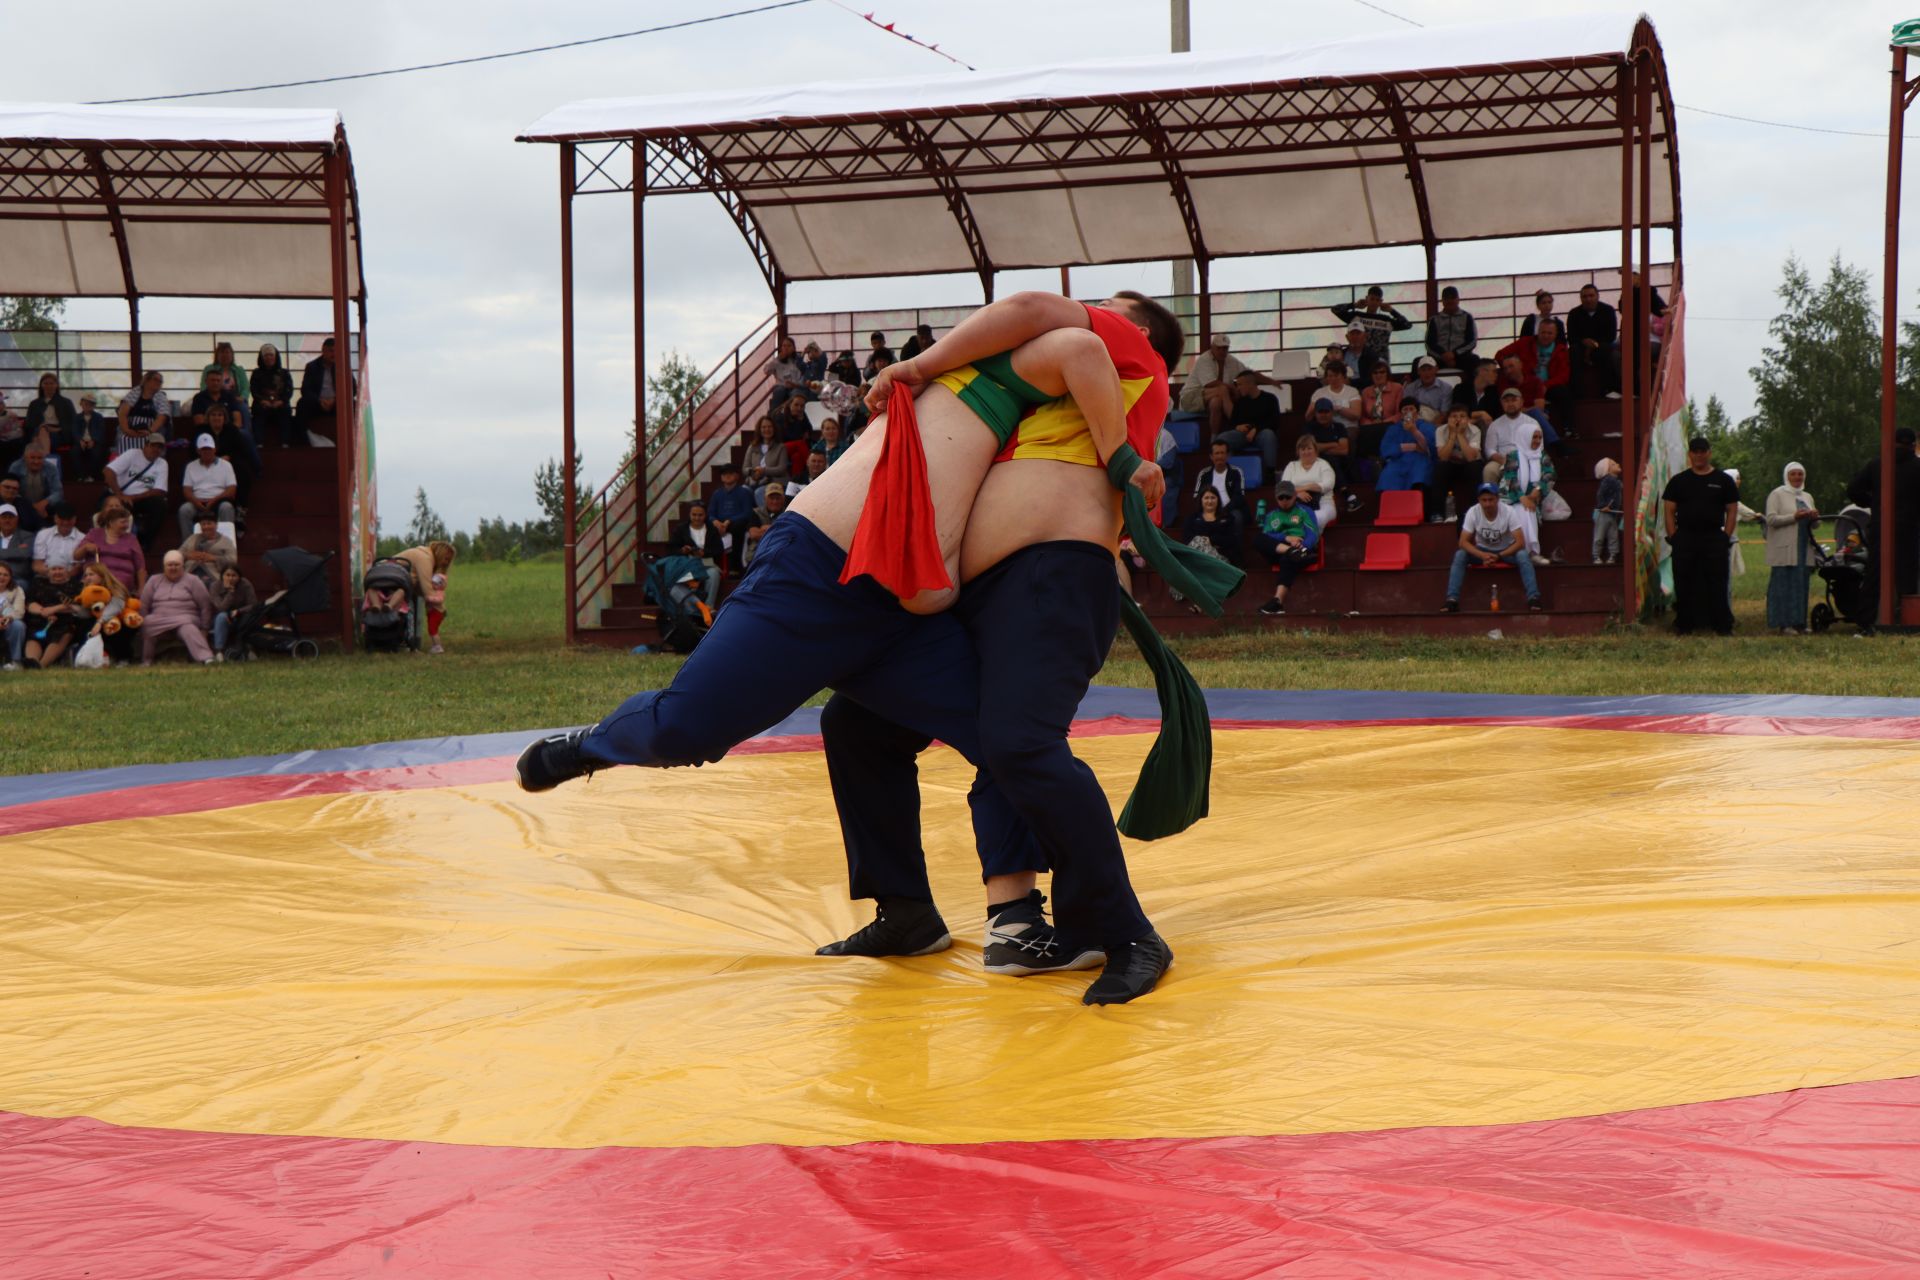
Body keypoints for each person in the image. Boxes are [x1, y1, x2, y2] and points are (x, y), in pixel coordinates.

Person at [516, 289, 1191, 1005]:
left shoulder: (1042, 382)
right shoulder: (986, 372)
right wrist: (921, 370)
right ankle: (593, 745)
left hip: (900, 608)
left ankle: (1012, 916)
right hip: (823, 573)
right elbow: (1044, 332)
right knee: (689, 728)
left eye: (1103, 306)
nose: (1083, 309)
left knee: (1003, 742)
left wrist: (1113, 463)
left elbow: (1060, 338)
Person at [1661, 436, 1740, 636]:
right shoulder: (1678, 481)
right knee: (1684, 581)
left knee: (1717, 581)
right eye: (1695, 451)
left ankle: (1722, 625)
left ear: (1709, 453)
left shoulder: (1723, 480)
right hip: (1685, 538)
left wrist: (1725, 536)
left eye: (1702, 451)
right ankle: (1685, 625)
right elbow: (1669, 510)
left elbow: (1732, 510)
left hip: (1714, 537)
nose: (1699, 455)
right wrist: (1674, 537)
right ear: (1690, 454)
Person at [1845, 426, 1920, 597]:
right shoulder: (1917, 467)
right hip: (1908, 528)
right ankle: (1904, 613)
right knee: (1907, 573)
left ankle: (1869, 617)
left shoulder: (1877, 465)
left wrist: (1873, 503)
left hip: (1881, 526)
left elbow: (1853, 489)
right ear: (1913, 445)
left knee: (1875, 571)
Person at [1443, 483, 1542, 613]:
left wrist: (1499, 555)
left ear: (1497, 499)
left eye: (1491, 500)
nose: (1488, 504)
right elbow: (1462, 542)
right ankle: (1452, 600)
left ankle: (1533, 598)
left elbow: (1520, 542)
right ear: (1479, 500)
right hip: (1482, 550)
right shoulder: (1473, 512)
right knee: (1460, 555)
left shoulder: (1508, 511)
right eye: (1484, 500)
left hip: (1506, 551)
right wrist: (1481, 555)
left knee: (1523, 555)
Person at [1765, 462, 1820, 634]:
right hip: (1785, 547)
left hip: (1804, 546)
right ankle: (1784, 623)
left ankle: (1799, 623)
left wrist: (1814, 517)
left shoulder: (1807, 496)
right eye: (1793, 474)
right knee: (1784, 585)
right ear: (1786, 476)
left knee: (1800, 585)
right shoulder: (1777, 494)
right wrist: (1793, 517)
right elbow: (1771, 520)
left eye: (1800, 474)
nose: (1797, 477)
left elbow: (1815, 526)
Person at [1496, 319, 1573, 441]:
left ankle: (1569, 429)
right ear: (1538, 332)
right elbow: (1499, 354)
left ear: (1556, 335)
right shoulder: (1525, 343)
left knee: (1564, 392)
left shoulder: (1561, 349)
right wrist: (1513, 369)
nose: (1546, 336)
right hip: (1527, 383)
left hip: (1549, 385)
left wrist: (1546, 385)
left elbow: (1564, 375)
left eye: (1550, 333)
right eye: (1543, 332)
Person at [1254, 480, 1319, 617]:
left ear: (1295, 496)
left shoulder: (1304, 511)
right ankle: (1290, 552)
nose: (1284, 500)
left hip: (1302, 550)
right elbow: (1267, 535)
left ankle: (1277, 601)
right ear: (1276, 498)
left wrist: (1303, 546)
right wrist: (1286, 538)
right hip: (1280, 549)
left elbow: (1313, 533)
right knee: (1258, 538)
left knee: (1288, 559)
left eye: (1288, 497)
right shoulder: (1271, 516)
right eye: (1281, 497)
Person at [139, 551, 216, 665]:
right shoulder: (154, 580)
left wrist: (204, 628)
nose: (173, 568)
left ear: (183, 566)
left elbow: (205, 605)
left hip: (186, 618)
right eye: (169, 565)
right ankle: (147, 661)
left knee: (188, 627)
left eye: (176, 565)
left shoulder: (193, 580)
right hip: (159, 620)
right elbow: (144, 604)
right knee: (147, 623)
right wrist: (142, 621)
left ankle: (206, 658)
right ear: (164, 567)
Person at [1500, 423, 1556, 565]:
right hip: (1510, 499)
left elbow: (1550, 474)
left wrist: (1537, 489)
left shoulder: (1542, 455)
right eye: (1533, 437)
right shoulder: (1513, 456)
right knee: (1523, 509)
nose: (1537, 441)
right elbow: (1510, 478)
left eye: (1539, 437)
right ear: (1524, 437)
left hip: (1533, 500)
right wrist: (1521, 497)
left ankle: (1529, 552)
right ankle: (1528, 552)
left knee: (1527, 509)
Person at [103, 433, 171, 544]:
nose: (156, 449)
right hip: (120, 495)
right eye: (153, 445)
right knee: (112, 505)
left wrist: (133, 497)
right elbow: (108, 471)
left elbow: (160, 490)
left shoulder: (162, 463)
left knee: (161, 504)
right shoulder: (132, 454)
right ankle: (112, 541)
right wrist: (120, 495)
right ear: (145, 445)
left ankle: (144, 542)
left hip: (140, 498)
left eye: (160, 447)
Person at [395, 540, 456, 655]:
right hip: (394, 582)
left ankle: (406, 642)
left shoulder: (423, 555)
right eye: (446, 559)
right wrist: (440, 606)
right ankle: (410, 643)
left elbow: (420, 586)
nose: (446, 563)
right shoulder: (425, 559)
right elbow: (427, 589)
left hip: (386, 576)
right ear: (440, 554)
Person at [1377, 401, 1437, 518]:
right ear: (1400, 413)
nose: (1408, 412)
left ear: (1417, 412)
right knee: (1389, 474)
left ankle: (1419, 514)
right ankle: (1391, 514)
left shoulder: (1427, 426)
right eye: (1405, 409)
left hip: (1420, 459)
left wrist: (1414, 431)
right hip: (1399, 460)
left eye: (1411, 408)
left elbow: (1429, 449)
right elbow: (1386, 448)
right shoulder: (1393, 429)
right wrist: (1412, 446)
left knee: (1419, 474)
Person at [1178, 332, 1247, 433]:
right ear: (1212, 348)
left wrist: (1271, 381)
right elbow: (1210, 383)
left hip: (1210, 399)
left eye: (1225, 348)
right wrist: (1233, 388)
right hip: (1189, 399)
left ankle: (1214, 438)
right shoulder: (1204, 359)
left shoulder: (1230, 360)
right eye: (1219, 348)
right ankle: (1237, 425)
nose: (1222, 351)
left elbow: (1247, 373)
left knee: (1216, 402)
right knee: (1223, 389)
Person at [1331, 286, 1412, 371]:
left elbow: (1407, 325)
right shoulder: (1356, 317)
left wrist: (1392, 311)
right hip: (1359, 362)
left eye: (1377, 300)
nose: (1374, 302)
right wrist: (1354, 305)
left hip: (1381, 364)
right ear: (1367, 299)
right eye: (1372, 299)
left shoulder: (1386, 320)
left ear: (1381, 302)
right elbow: (1335, 309)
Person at [1217, 368, 1281, 473]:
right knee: (1222, 438)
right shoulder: (1240, 402)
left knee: (1269, 435)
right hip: (1242, 435)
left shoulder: (1270, 399)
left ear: (1250, 384)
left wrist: (1256, 429)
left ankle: (1270, 472)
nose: (1238, 388)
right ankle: (1227, 472)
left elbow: (1275, 422)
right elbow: (1232, 423)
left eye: (1240, 385)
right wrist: (1237, 427)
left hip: (1262, 434)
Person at [178, 433, 238, 540]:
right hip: (197, 502)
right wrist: (197, 503)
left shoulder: (226, 465)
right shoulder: (191, 466)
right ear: (198, 451)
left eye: (209, 449)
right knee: (184, 510)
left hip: (218, 501)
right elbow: (187, 490)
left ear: (214, 449)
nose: (207, 452)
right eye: (204, 449)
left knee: (227, 507)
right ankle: (188, 546)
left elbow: (231, 489)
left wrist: (214, 500)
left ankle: (226, 543)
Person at [23, 561, 81, 669]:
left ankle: (42, 665)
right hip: (40, 619)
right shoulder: (38, 583)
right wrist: (42, 611)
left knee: (64, 632)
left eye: (60, 569)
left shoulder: (76, 585)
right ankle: (32, 662)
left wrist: (55, 609)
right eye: (53, 569)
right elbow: (30, 603)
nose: (57, 572)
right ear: (48, 571)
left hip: (64, 622)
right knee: (34, 635)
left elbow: (77, 606)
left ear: (67, 570)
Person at [1566, 284, 1620, 398]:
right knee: (1573, 351)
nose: (1588, 299)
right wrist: (1584, 342)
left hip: (1601, 346)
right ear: (1581, 298)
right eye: (1585, 296)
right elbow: (1571, 337)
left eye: (1591, 295)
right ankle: (1575, 391)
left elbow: (1611, 335)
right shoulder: (1574, 313)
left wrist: (1594, 345)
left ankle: (1609, 389)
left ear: (1597, 296)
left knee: (1607, 351)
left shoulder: (1608, 310)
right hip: (1580, 347)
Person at [79, 501, 146, 591]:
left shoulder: (132, 539)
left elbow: (141, 568)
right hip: (97, 584)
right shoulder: (94, 533)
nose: (126, 526)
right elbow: (76, 556)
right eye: (123, 522)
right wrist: (86, 547)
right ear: (111, 523)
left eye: (127, 522)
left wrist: (141, 590)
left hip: (122, 587)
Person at [76, 560, 134, 666]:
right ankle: (88, 658)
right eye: (86, 575)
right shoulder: (86, 590)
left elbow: (116, 607)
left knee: (115, 626)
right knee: (84, 624)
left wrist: (100, 622)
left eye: (91, 574)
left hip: (118, 619)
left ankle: (124, 658)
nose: (88, 577)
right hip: (96, 621)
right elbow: (84, 614)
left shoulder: (116, 588)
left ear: (102, 576)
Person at [296, 337, 354, 441]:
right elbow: (305, 390)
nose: (334, 354)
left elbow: (353, 389)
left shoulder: (344, 367)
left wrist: (335, 400)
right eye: (331, 351)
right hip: (318, 403)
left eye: (336, 351)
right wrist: (319, 400)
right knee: (302, 404)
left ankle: (352, 438)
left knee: (353, 404)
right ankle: (302, 440)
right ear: (323, 351)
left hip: (337, 403)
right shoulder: (312, 366)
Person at [669, 501, 725, 607]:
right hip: (687, 564)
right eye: (694, 515)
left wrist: (704, 553)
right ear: (689, 515)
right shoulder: (681, 529)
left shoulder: (712, 529)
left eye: (700, 515)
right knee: (677, 581)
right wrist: (683, 551)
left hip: (707, 563)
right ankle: (691, 608)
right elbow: (671, 549)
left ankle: (708, 607)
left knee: (713, 574)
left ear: (705, 515)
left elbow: (719, 550)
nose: (697, 518)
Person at [1432, 405, 1482, 522]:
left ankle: (1475, 513)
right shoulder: (1440, 430)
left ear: (1468, 419)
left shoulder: (1475, 430)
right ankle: (1437, 513)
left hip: (1468, 464)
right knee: (1440, 467)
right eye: (1454, 416)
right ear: (1448, 419)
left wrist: (1460, 435)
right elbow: (1443, 457)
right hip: (1451, 463)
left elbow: (1471, 457)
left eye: (1462, 416)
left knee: (1474, 467)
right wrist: (1453, 435)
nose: (1458, 419)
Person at [707, 463, 758, 574]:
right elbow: (710, 513)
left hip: (737, 524)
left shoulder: (744, 492)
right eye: (725, 474)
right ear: (721, 477)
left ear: (737, 476)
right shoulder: (717, 494)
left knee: (737, 528)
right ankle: (716, 565)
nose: (727, 476)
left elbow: (747, 513)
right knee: (710, 528)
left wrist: (729, 521)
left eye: (731, 473)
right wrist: (715, 522)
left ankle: (735, 567)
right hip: (720, 524)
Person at [1282, 432, 1339, 532]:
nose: (1306, 452)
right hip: (1296, 504)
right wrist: (1297, 494)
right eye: (1303, 449)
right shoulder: (1292, 466)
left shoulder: (1323, 464)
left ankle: (1308, 543)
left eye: (1309, 448)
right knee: (1291, 518)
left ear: (1316, 450)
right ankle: (1302, 544)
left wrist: (1305, 487)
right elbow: (1283, 487)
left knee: (1317, 517)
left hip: (1324, 503)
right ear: (1298, 452)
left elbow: (1328, 485)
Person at [1191, 438, 1247, 534]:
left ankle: (1236, 549)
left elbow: (1239, 497)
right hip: (1207, 508)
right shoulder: (1204, 474)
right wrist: (1210, 509)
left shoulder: (1236, 472)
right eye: (1217, 453)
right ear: (1211, 456)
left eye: (1222, 453)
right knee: (1191, 519)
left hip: (1230, 510)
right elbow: (1197, 496)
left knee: (1237, 517)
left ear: (1228, 455)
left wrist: (1223, 510)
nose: (1220, 456)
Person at [1481, 388, 1534, 485]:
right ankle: (1490, 499)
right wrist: (1502, 460)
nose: (1510, 404)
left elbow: (1537, 448)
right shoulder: (1495, 425)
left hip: (1525, 460)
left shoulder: (1532, 423)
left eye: (1514, 400)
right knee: (1489, 470)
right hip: (1501, 460)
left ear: (1521, 402)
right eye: (1506, 401)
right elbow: (1489, 449)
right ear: (1502, 403)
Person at [251, 343, 299, 448]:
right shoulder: (256, 373)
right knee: (258, 413)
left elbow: (289, 390)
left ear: (275, 356)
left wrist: (281, 401)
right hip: (262, 404)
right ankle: (259, 443)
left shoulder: (284, 373)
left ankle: (285, 443)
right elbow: (254, 390)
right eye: (266, 355)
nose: (269, 358)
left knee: (285, 412)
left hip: (280, 403)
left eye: (271, 355)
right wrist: (262, 401)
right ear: (262, 358)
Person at [1355, 361, 1402, 464]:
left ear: (1387, 374)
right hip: (1370, 427)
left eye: (1382, 372)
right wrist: (1370, 425)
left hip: (1390, 425)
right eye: (1375, 373)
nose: (1378, 375)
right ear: (1371, 375)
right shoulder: (1366, 391)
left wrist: (1383, 423)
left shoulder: (1397, 388)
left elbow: (1400, 413)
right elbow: (1362, 416)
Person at [1181, 486, 1240, 567]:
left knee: (1199, 541)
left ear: (1218, 499)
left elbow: (1231, 540)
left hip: (1220, 559)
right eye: (1206, 498)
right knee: (1198, 541)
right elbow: (1186, 540)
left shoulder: (1227, 519)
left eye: (1213, 498)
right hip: (1197, 557)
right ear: (1201, 500)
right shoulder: (1191, 519)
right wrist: (1203, 542)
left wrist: (1211, 540)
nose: (1210, 501)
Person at [8, 445, 62, 531]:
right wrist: (30, 506)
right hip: (22, 503)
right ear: (25, 458)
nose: (36, 461)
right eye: (32, 458)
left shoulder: (51, 468)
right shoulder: (15, 467)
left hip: (44, 504)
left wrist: (43, 503)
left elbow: (58, 492)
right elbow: (11, 490)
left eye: (40, 458)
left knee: (61, 505)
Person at [116, 372, 171, 456]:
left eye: (160, 381)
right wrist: (127, 430)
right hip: (131, 427)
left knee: (153, 442)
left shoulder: (161, 396)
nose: (158, 383)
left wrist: (149, 431)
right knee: (123, 438)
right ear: (146, 381)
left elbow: (162, 417)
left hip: (152, 429)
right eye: (155, 380)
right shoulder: (135, 392)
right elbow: (122, 413)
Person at [1424, 285, 1478, 371]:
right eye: (1446, 298)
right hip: (1439, 358)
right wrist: (1443, 356)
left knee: (1475, 361)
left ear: (1458, 299)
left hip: (1461, 357)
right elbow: (1429, 343)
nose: (1449, 301)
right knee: (1418, 362)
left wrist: (1454, 354)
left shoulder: (1467, 317)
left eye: (1452, 298)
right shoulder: (1434, 319)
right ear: (1442, 301)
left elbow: (1472, 341)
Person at [21, 373, 74, 460]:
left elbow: (73, 423)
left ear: (56, 385)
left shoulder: (66, 402)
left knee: (37, 441)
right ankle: (47, 460)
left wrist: (56, 429)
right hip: (38, 431)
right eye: (45, 383)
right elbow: (29, 424)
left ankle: (37, 465)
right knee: (41, 430)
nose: (49, 386)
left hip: (60, 433)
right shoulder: (34, 404)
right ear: (41, 385)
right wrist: (42, 427)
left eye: (51, 383)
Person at [210, 563, 258, 657]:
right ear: (222, 576)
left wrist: (239, 611)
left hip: (241, 615)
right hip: (221, 617)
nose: (230, 578)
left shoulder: (245, 584)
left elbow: (253, 604)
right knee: (222, 616)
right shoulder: (215, 586)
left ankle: (247, 649)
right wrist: (230, 593)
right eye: (227, 575)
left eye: (234, 575)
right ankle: (219, 651)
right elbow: (221, 608)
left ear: (239, 577)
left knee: (250, 617)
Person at [180, 510, 237, 587]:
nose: (206, 526)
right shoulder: (192, 538)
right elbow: (177, 554)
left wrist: (214, 558)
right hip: (189, 573)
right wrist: (188, 555)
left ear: (216, 525)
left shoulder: (226, 541)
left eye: (209, 523)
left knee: (202, 584)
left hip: (212, 576)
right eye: (203, 524)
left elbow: (233, 560)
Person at [65, 394, 114, 481]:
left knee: (96, 452)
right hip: (80, 441)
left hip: (95, 442)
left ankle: (91, 476)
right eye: (85, 404)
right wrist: (80, 440)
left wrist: (94, 440)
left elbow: (101, 431)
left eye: (91, 404)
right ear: (81, 404)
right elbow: (74, 431)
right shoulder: (76, 417)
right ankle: (80, 476)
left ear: (94, 406)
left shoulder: (98, 417)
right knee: (74, 452)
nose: (88, 406)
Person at [31, 500, 84, 579]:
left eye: (69, 519)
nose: (65, 523)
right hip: (46, 577)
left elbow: (78, 566)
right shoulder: (43, 534)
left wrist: (65, 576)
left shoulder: (82, 538)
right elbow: (37, 564)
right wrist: (52, 574)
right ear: (55, 518)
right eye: (62, 519)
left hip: (71, 578)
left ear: (74, 519)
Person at [741, 482, 788, 570]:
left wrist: (765, 529)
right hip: (757, 554)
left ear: (783, 499)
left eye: (778, 498)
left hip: (782, 554)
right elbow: (754, 534)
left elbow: (788, 536)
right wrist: (779, 530)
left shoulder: (788, 513)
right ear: (765, 499)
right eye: (771, 498)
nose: (775, 501)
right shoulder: (756, 513)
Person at [743, 415, 790, 495]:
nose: (767, 429)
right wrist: (753, 472)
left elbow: (782, 469)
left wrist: (763, 471)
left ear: (774, 429)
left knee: (759, 492)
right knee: (743, 491)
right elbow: (745, 468)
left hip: (775, 482)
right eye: (764, 427)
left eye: (769, 427)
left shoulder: (781, 447)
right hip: (755, 481)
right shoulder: (752, 447)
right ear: (759, 429)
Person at [1313, 359, 1361, 434]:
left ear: (1343, 376)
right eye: (1330, 376)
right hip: (1326, 427)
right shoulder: (1319, 392)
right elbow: (1308, 416)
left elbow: (1356, 415)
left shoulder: (1352, 391)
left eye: (1336, 376)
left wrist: (1338, 409)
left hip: (1348, 427)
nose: (1333, 379)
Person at [1592, 457, 1624, 564]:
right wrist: (1603, 505)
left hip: (1612, 512)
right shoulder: (1608, 480)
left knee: (1613, 534)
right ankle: (1597, 555)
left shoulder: (1615, 481)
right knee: (1600, 534)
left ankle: (1612, 555)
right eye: (1613, 464)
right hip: (1604, 512)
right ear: (1607, 470)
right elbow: (1600, 494)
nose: (1618, 464)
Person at [1403, 356, 1452, 424]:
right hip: (1414, 423)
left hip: (1436, 424)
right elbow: (1407, 411)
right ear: (1418, 371)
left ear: (1436, 369)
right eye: (1423, 370)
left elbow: (1444, 414)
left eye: (1429, 369)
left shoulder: (1446, 388)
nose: (1427, 373)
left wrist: (1429, 428)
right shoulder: (1410, 388)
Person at [204, 341, 251, 408]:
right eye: (222, 352)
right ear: (217, 355)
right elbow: (203, 386)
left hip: (236, 399)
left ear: (232, 355)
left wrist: (242, 397)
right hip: (214, 399)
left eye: (227, 352)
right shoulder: (209, 369)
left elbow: (245, 388)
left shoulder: (239, 370)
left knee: (243, 408)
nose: (225, 355)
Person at [0, 503, 34, 591]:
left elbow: (24, 553)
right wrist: (15, 551)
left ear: (17, 519)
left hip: (16, 578)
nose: (7, 520)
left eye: (11, 517)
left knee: (20, 585)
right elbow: (19, 553)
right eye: (4, 517)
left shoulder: (27, 536)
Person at [0, 561, 24, 670]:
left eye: (6, 575)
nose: (2, 577)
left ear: (10, 577)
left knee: (18, 625)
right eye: (0, 574)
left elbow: (19, 611)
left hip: (8, 621)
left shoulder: (17, 590)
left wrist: (8, 618)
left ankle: (14, 661)